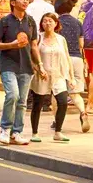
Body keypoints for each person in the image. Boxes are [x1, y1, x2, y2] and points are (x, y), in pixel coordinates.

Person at [0, 0, 44, 146]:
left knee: (22, 101)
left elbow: (34, 45)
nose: (25, 1)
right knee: (12, 95)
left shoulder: (30, 22)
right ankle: (5, 128)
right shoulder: (4, 22)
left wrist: (39, 65)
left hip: (26, 66)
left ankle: (17, 132)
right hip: (8, 64)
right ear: (13, 2)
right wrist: (11, 45)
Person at [29, 12, 75, 143]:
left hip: (58, 75)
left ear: (56, 23)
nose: (47, 23)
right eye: (45, 21)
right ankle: (35, 132)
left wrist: (71, 77)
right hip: (41, 76)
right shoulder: (38, 38)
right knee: (38, 104)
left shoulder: (61, 39)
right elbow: (31, 57)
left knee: (63, 102)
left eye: (50, 21)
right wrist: (38, 69)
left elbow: (67, 58)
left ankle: (58, 131)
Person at [54, 0, 89, 132]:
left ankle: (56, 120)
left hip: (61, 60)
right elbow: (81, 44)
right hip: (77, 58)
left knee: (57, 91)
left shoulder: (56, 23)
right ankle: (83, 112)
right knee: (75, 93)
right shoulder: (77, 22)